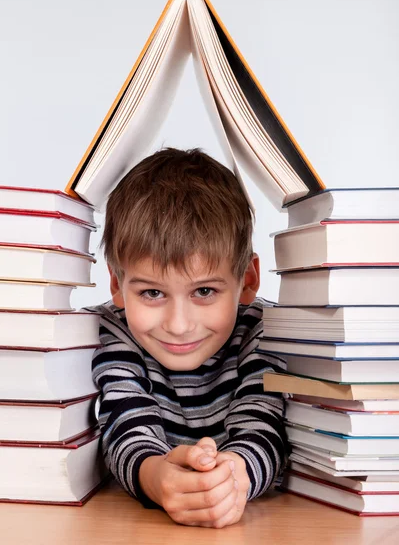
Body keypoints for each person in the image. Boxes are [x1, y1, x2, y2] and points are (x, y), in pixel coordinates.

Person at [89, 148, 288, 528]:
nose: (179, 325)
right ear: (117, 285)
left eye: (204, 292)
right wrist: (157, 478)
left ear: (247, 280)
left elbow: (263, 424)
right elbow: (125, 425)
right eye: (152, 293)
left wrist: (232, 477)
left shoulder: (266, 329)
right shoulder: (114, 330)